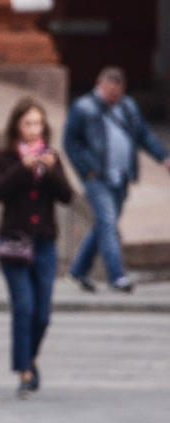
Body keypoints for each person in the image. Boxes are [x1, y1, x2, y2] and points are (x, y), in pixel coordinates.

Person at [0, 98, 73, 398]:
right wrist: (23, 168)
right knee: (23, 307)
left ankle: (29, 357)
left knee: (43, 314)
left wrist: (49, 170)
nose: (33, 130)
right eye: (27, 124)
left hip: (44, 243)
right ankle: (25, 370)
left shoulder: (51, 157)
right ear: (16, 127)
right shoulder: (4, 157)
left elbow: (67, 196)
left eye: (38, 124)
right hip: (14, 243)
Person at [64, 66, 170, 293]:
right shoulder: (84, 108)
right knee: (108, 222)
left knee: (103, 225)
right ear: (99, 86)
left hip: (120, 176)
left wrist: (163, 157)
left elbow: (144, 135)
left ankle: (78, 271)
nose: (113, 98)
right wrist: (86, 169)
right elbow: (70, 142)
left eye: (117, 93)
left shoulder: (128, 107)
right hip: (97, 177)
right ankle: (117, 276)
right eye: (109, 93)